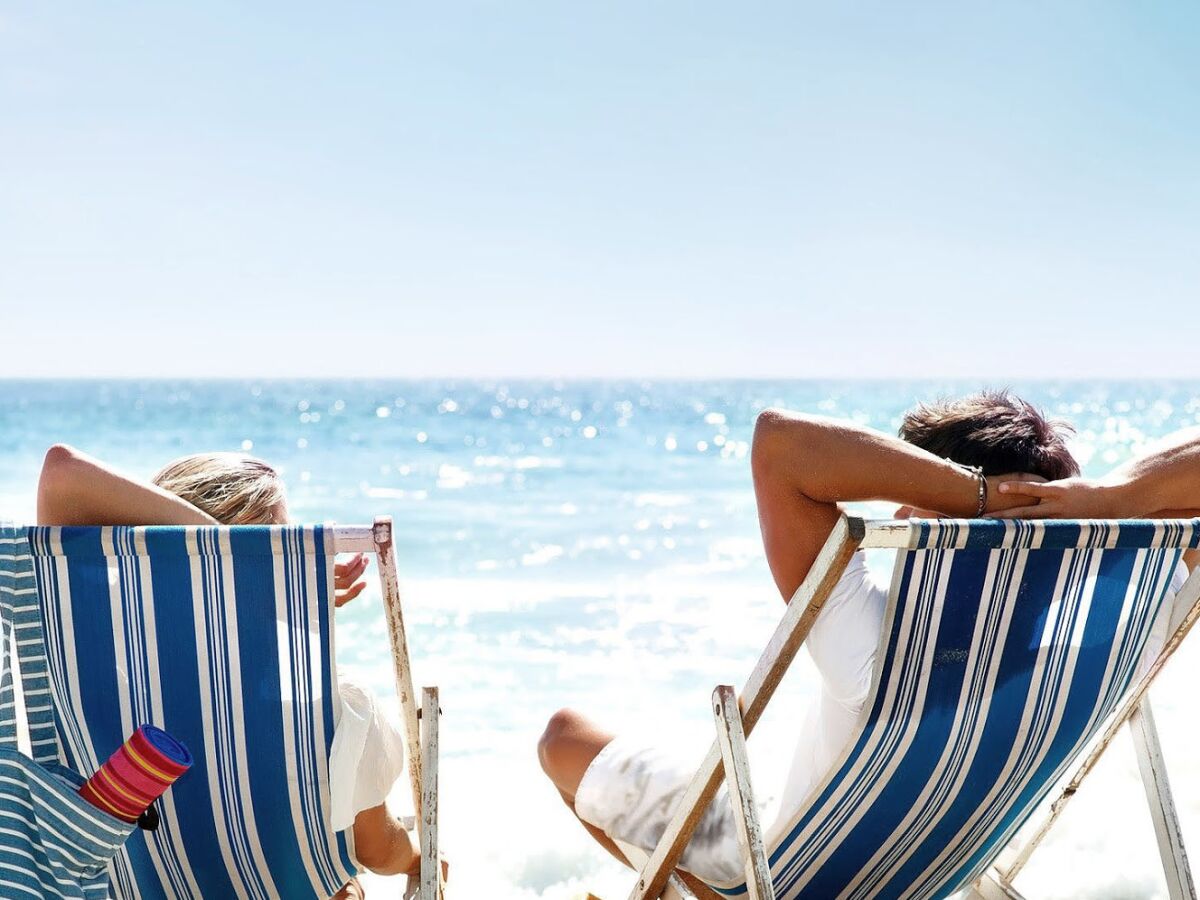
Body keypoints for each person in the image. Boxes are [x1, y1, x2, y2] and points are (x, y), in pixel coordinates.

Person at [537, 390, 1200, 896]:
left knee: (562, 737)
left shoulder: (878, 653)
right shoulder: (1120, 634)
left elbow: (779, 445)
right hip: (924, 872)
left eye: (913, 493)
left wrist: (972, 496)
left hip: (772, 873)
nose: (901, 514)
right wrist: (1115, 495)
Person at [36, 444, 433, 900]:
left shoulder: (96, 672)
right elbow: (376, 847)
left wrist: (231, 559)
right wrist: (418, 860)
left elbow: (62, 475)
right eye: (279, 548)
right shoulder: (326, 711)